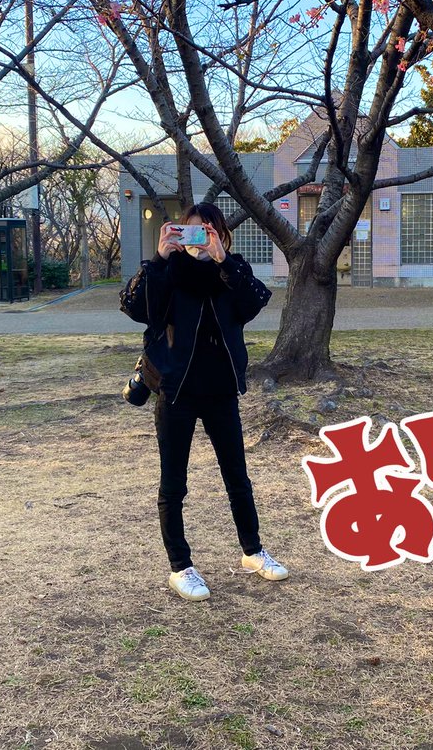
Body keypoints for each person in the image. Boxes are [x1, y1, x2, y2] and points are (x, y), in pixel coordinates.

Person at [119, 202, 289, 601]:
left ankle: (253, 552)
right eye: (192, 231)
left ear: (222, 235)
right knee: (174, 484)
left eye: (208, 231)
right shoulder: (168, 272)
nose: (199, 239)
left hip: (221, 391)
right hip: (176, 390)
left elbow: (253, 303)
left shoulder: (233, 271)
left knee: (237, 478)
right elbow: (134, 307)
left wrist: (222, 260)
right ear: (179, 235)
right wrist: (158, 259)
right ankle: (181, 567)